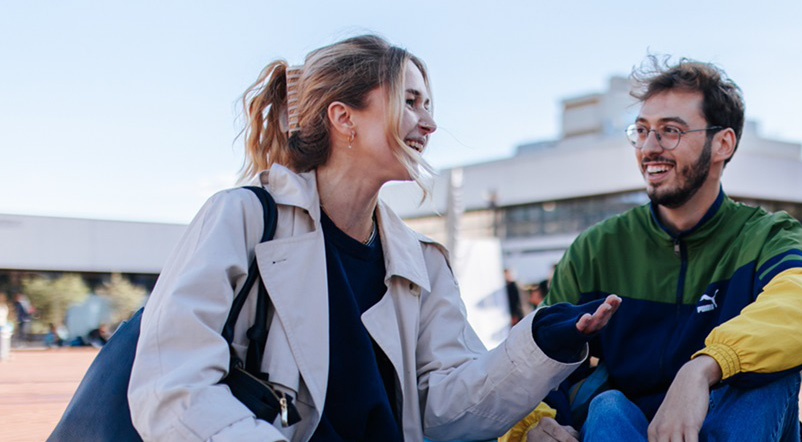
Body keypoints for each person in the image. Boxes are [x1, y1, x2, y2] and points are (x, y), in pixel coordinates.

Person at [127, 35, 620, 441]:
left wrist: (539, 344)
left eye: (428, 105)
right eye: (410, 102)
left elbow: (442, 412)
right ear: (344, 118)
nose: (430, 123)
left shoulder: (423, 261)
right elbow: (173, 386)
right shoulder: (242, 218)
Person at [529, 56, 802, 441]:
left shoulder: (766, 235)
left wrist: (704, 368)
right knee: (606, 408)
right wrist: (537, 423)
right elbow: (543, 355)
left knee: (768, 379)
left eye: (670, 131)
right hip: (632, 429)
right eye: (642, 131)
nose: (649, 147)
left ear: (722, 143)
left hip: (733, 421)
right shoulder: (597, 248)